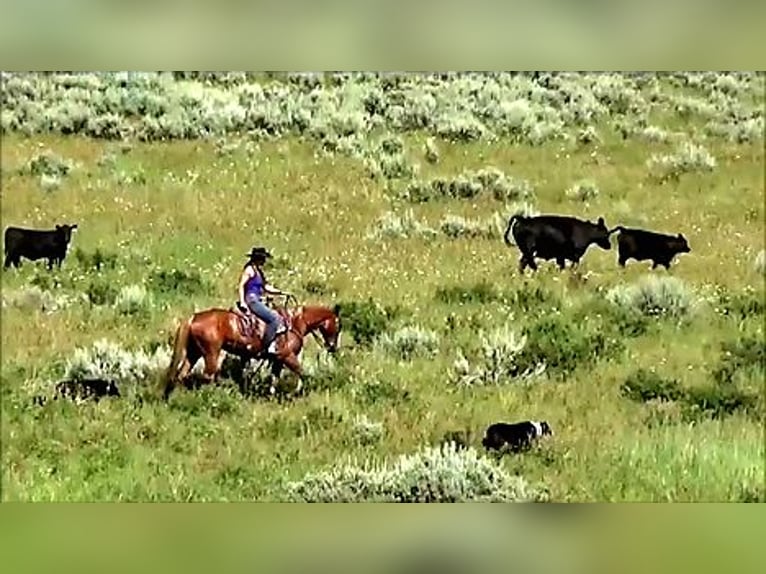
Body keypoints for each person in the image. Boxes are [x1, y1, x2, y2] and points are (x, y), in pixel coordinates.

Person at [238, 246, 290, 356]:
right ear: (258, 258)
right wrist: (242, 301)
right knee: (273, 319)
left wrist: (280, 292)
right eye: (263, 258)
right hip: (252, 300)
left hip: (258, 298)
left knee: (277, 314)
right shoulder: (249, 270)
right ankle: (267, 345)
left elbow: (266, 287)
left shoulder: (259, 272)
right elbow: (241, 285)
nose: (265, 261)